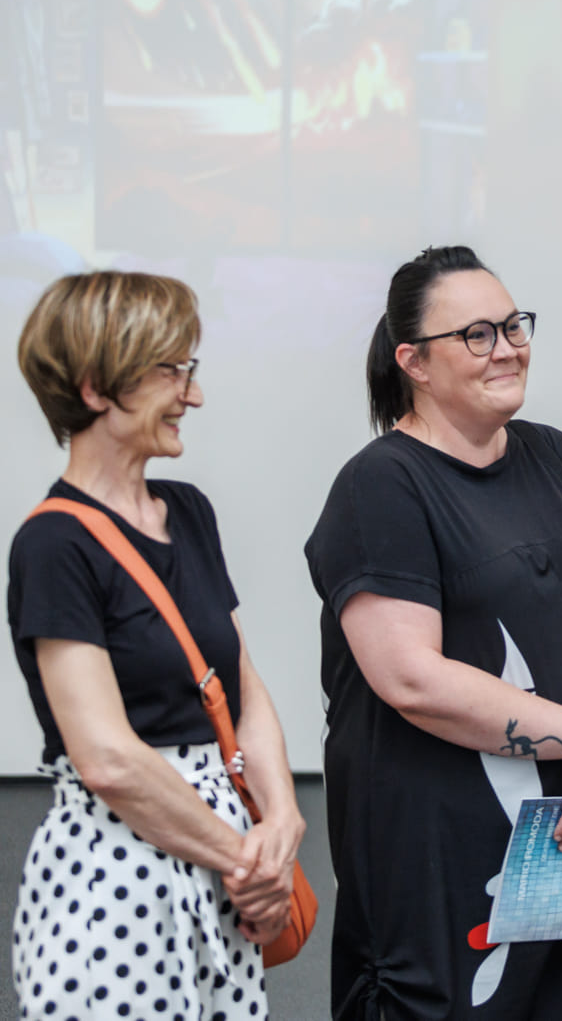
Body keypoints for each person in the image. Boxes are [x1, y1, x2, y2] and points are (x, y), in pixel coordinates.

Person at [304, 245, 562, 1020]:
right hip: (446, 856)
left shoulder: (559, 457)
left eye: (512, 325)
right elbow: (411, 677)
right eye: (476, 334)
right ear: (414, 362)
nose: (506, 348)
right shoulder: (380, 485)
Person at [8, 271, 304, 1019]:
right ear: (96, 388)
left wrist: (282, 822)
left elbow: (242, 687)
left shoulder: (190, 512)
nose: (192, 395)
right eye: (172, 371)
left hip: (228, 878)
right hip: (116, 884)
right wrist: (248, 861)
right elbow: (107, 759)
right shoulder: (53, 544)